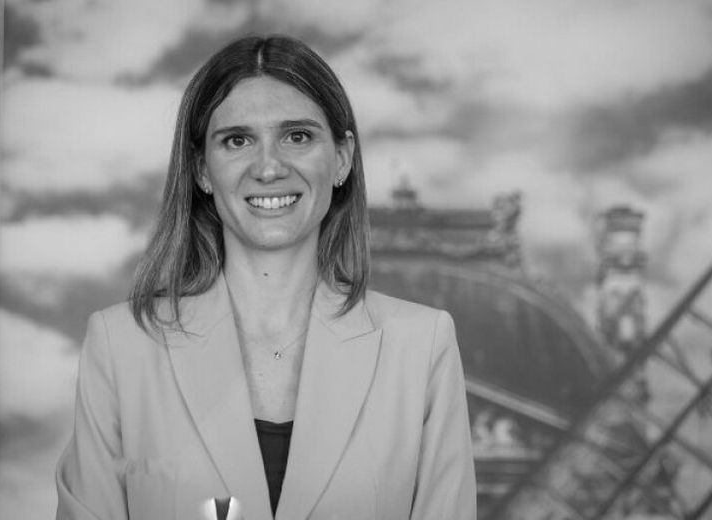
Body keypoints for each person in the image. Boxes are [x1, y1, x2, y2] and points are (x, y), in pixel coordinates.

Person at [56, 34, 476, 520]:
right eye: (237, 140)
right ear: (202, 169)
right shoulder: (121, 345)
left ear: (342, 159)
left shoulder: (422, 345)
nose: (269, 168)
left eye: (297, 136)